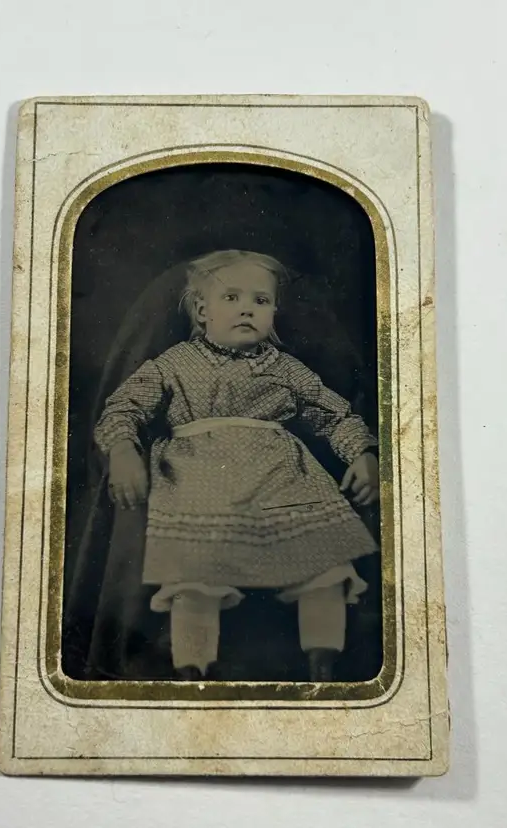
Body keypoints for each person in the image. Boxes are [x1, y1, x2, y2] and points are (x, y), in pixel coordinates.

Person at [94, 250, 380, 682]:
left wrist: (363, 453)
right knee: (194, 580)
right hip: (198, 479)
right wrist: (122, 451)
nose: (247, 308)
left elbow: (334, 415)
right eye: (232, 297)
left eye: (261, 301)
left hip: (283, 480)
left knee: (327, 570)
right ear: (203, 311)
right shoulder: (174, 364)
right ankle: (192, 670)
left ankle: (323, 664)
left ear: (273, 314)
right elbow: (123, 408)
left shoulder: (286, 369)